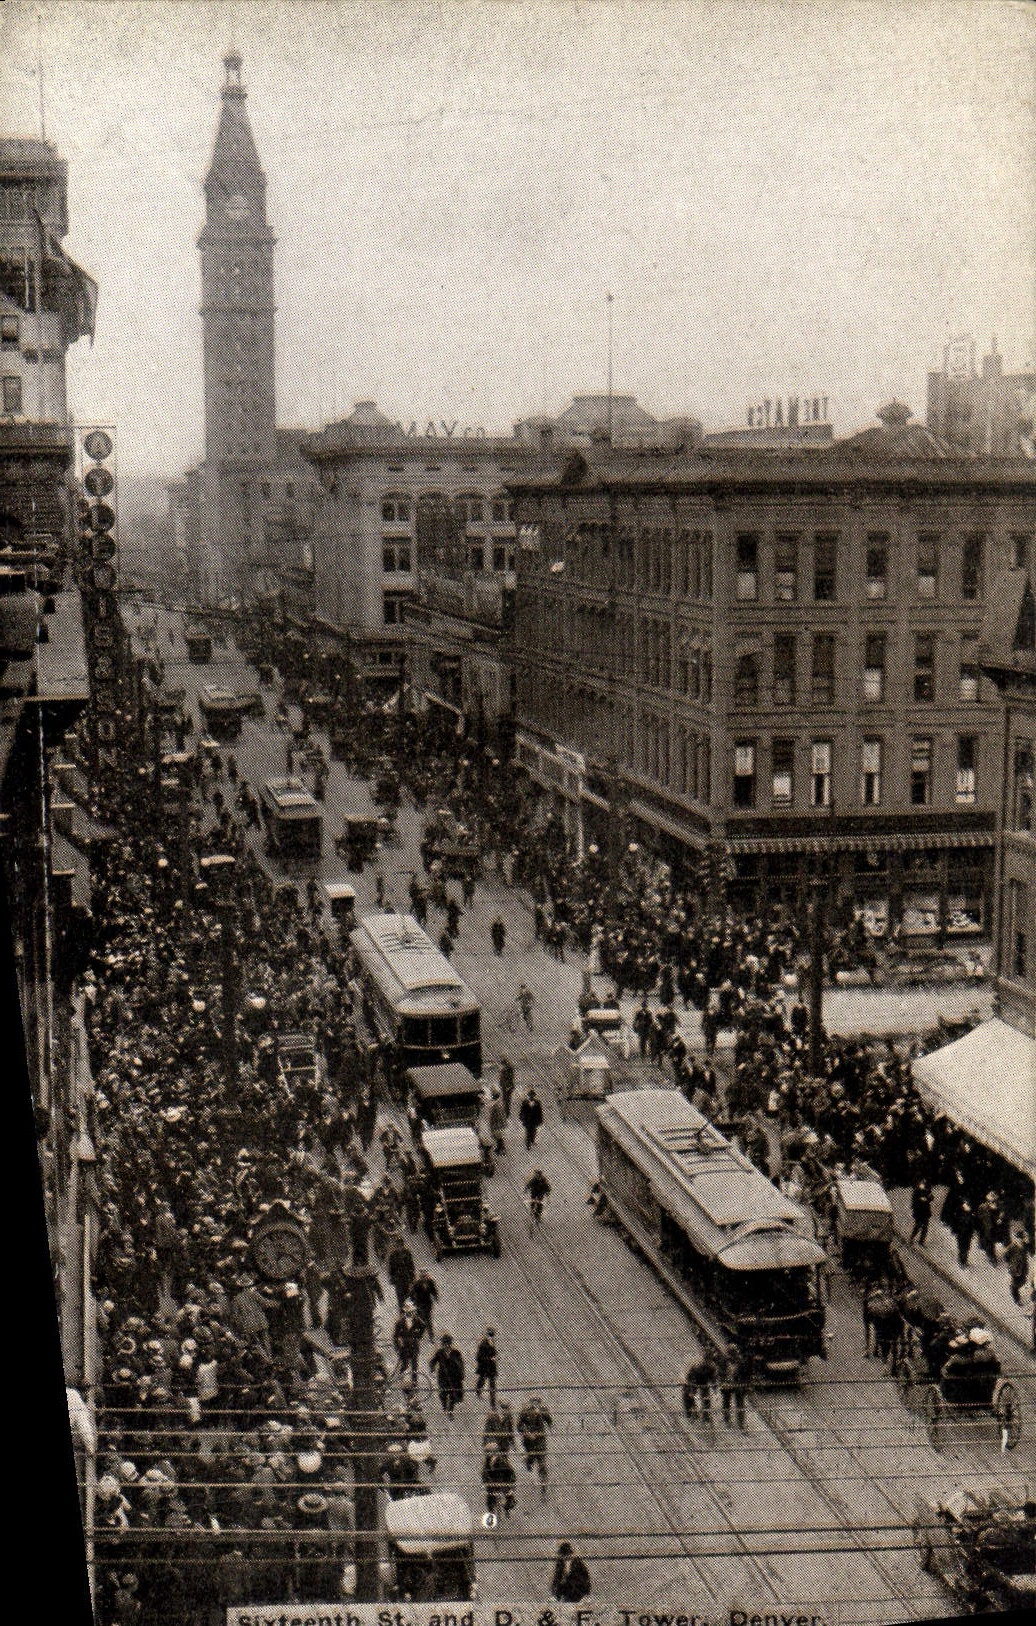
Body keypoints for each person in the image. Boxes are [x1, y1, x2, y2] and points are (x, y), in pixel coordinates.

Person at [516, 1395, 552, 1493]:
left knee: (542, 1463)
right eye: (534, 1404)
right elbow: (519, 1426)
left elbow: (549, 1421)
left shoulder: (543, 1410)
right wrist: (527, 1433)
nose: (535, 1407)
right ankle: (528, 1463)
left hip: (540, 1441)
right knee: (531, 1459)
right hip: (529, 1442)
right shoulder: (524, 1412)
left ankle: (543, 1484)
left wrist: (549, 1426)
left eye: (537, 1404)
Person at [429, 1333, 465, 1417]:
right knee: (443, 1394)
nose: (446, 1346)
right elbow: (433, 1361)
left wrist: (461, 1374)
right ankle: (445, 1407)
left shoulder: (456, 1353)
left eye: (448, 1344)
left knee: (452, 1394)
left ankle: (450, 1411)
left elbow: (461, 1364)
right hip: (443, 1377)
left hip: (454, 1377)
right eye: (444, 1344)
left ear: (450, 1344)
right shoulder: (439, 1352)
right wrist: (432, 1368)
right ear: (442, 1344)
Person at [720, 1346, 751, 1431]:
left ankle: (741, 1423)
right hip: (727, 1385)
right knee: (726, 1402)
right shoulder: (724, 1361)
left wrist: (746, 1386)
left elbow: (746, 1374)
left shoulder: (741, 1362)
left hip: (738, 1385)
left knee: (740, 1404)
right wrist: (722, 1383)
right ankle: (727, 1418)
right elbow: (720, 1373)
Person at [482, 1448, 516, 1521]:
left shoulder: (503, 1462)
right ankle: (491, 1516)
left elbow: (511, 1474)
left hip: (504, 1482)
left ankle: (507, 1508)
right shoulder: (487, 1463)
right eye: (490, 1456)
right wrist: (488, 1484)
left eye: (493, 1456)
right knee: (490, 1500)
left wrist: (510, 1486)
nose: (492, 1458)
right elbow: (484, 1474)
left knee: (510, 1499)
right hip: (493, 1484)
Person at [683, 1353, 717, 1424]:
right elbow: (690, 1377)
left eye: (709, 1361)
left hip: (704, 1382)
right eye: (707, 1360)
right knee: (689, 1396)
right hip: (693, 1380)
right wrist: (692, 1390)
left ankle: (706, 1415)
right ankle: (691, 1412)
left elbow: (713, 1378)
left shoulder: (712, 1367)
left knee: (706, 1398)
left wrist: (714, 1387)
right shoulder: (697, 1366)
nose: (708, 1362)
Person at [475, 1328, 499, 1408]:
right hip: (484, 1367)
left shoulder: (492, 1342)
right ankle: (478, 1391)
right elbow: (478, 1357)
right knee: (481, 1381)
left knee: (492, 1386)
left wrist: (494, 1357)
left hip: (491, 1368)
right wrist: (490, 1358)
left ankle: (493, 1404)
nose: (491, 1337)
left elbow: (494, 1353)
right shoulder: (483, 1344)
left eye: (492, 1336)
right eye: (489, 1335)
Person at [910, 1179, 933, 1247]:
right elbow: (914, 1200)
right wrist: (920, 1199)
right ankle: (912, 1237)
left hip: (926, 1211)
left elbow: (931, 1197)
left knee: (925, 1227)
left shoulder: (927, 1189)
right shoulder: (917, 1190)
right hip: (919, 1211)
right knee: (918, 1225)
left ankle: (921, 1241)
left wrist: (928, 1198)